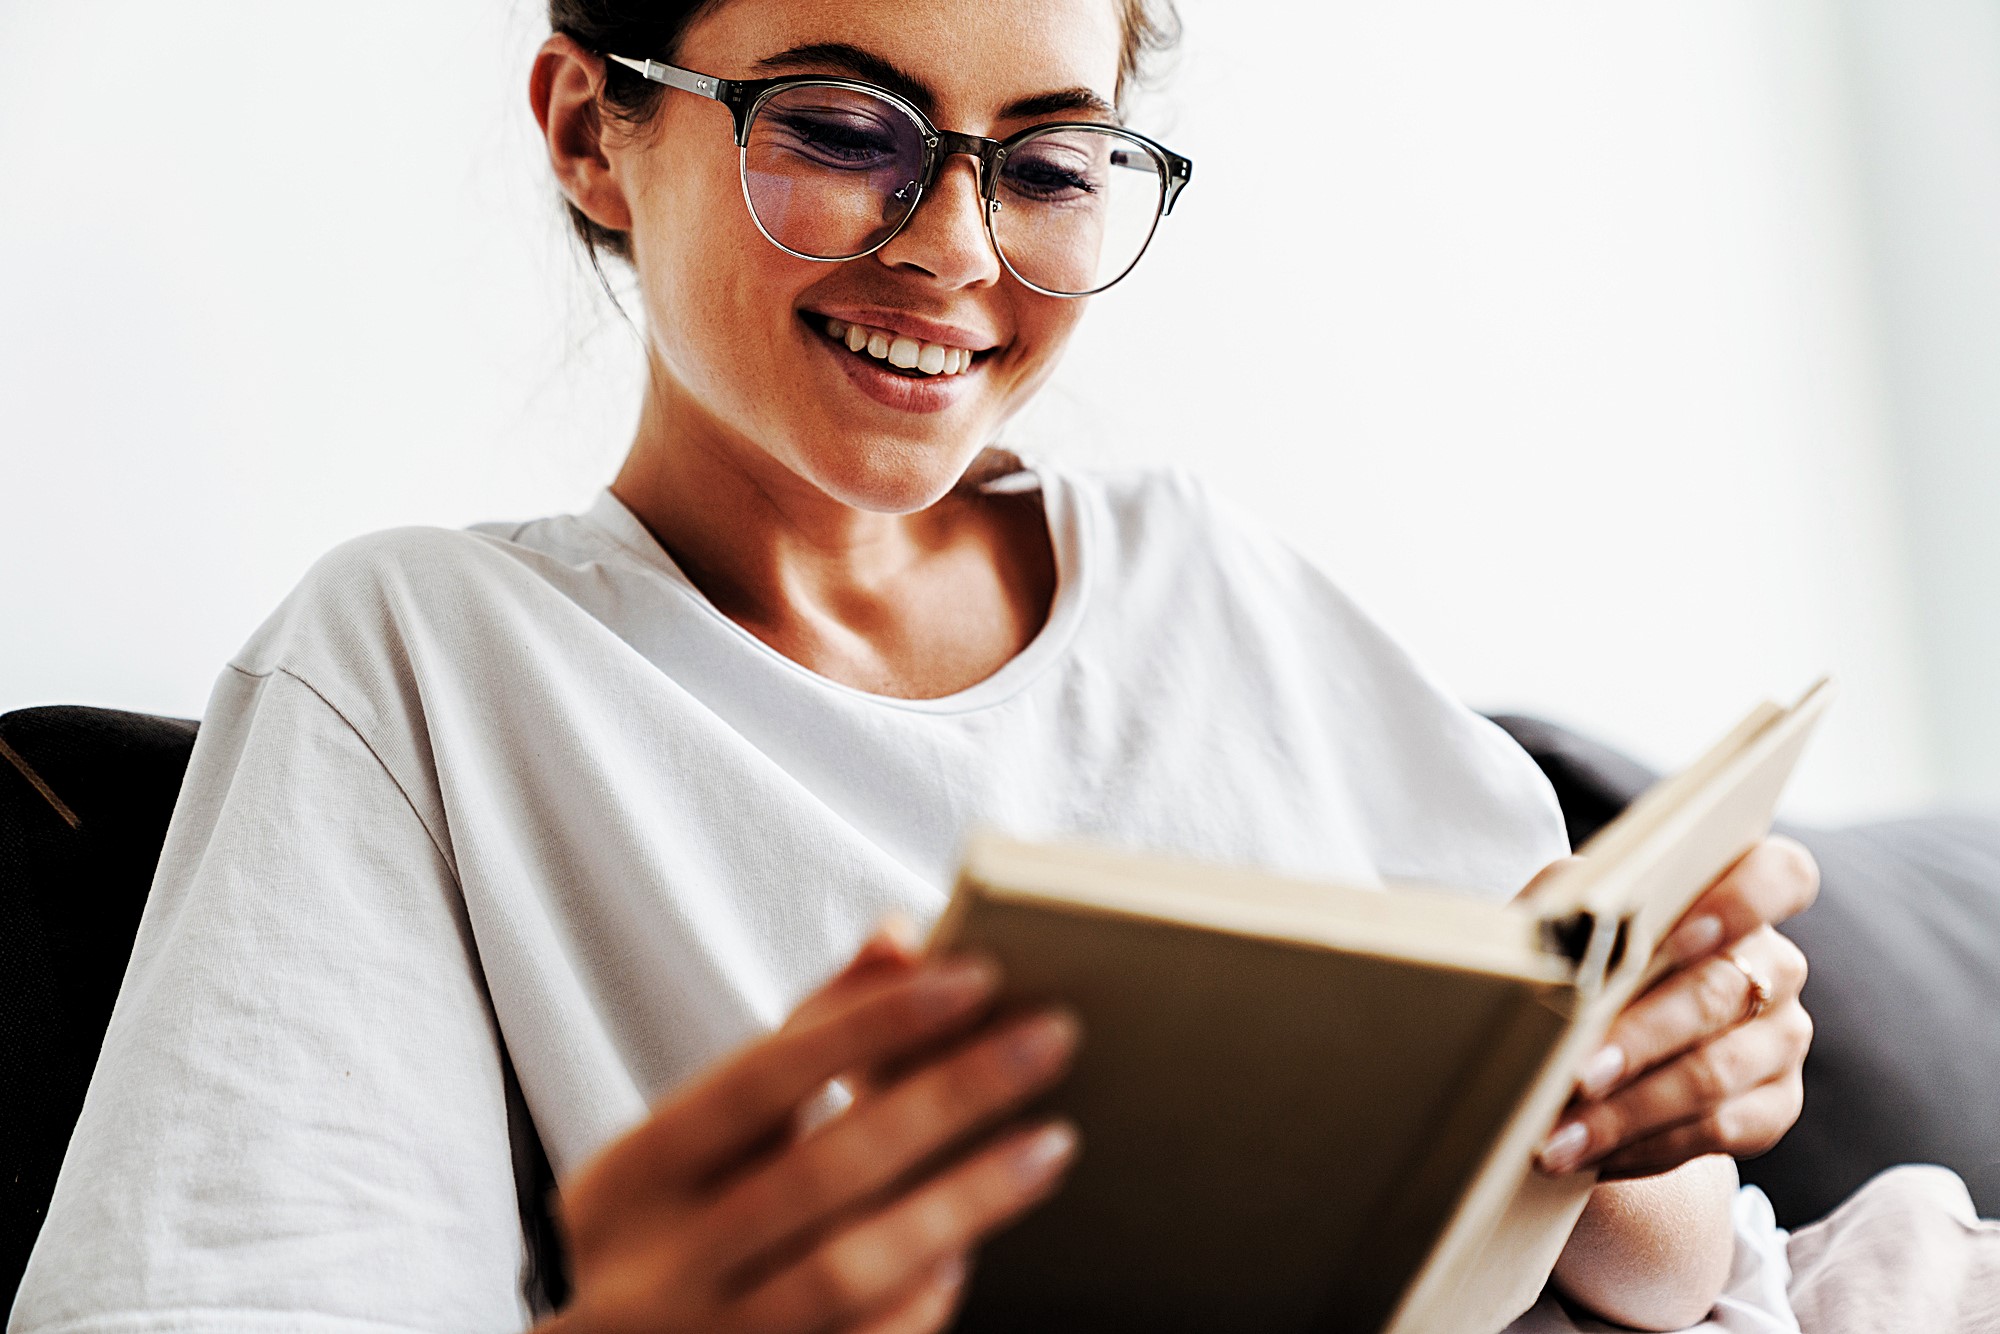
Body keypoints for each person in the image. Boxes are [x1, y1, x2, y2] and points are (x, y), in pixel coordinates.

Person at [10, 1, 1826, 1332]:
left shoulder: (1215, 586)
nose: (955, 247)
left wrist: (1662, 1092)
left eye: (1046, 163)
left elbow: (1672, 1269)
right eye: (839, 125)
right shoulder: (419, 665)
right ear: (589, 127)